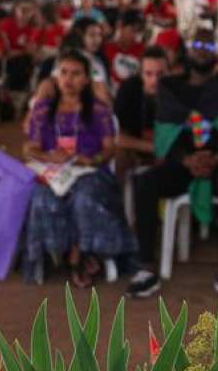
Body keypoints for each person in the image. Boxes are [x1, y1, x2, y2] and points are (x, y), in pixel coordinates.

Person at [126, 47, 218, 299]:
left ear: (217, 54)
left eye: (209, 47)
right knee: (146, 182)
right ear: (187, 52)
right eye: (197, 46)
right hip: (182, 162)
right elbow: (165, 131)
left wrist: (215, 157)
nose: (203, 53)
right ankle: (145, 268)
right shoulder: (171, 87)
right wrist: (186, 159)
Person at [23, 50, 137, 287]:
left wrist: (91, 159)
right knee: (42, 198)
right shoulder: (43, 109)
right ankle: (63, 252)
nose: (68, 79)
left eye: (76, 74)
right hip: (55, 174)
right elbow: (29, 148)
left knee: (84, 196)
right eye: (63, 73)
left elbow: (110, 149)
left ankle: (81, 253)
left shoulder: (98, 110)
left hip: (90, 172)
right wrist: (48, 156)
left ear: (86, 79)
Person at [114, 46, 168, 177]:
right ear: (140, 73)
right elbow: (118, 138)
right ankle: (123, 196)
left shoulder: (177, 90)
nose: (155, 80)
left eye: (160, 74)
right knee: (120, 155)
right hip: (137, 149)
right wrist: (153, 147)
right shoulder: (128, 89)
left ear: (168, 72)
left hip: (169, 150)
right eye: (149, 74)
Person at [104, 9, 146, 85]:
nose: (135, 36)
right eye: (132, 30)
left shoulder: (142, 49)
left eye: (138, 31)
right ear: (120, 26)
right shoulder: (105, 48)